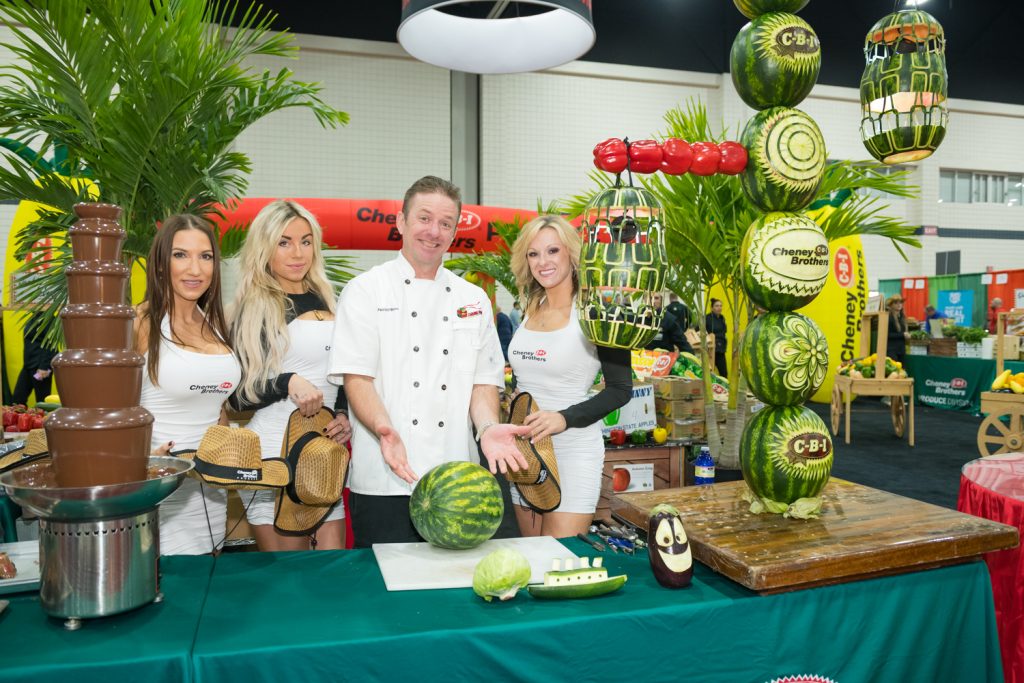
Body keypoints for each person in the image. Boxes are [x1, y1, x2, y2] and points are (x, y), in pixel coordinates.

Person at [328, 176, 530, 548]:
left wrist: (487, 427)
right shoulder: (365, 290)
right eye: (424, 218)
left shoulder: (473, 299)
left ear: (454, 232)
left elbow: (483, 381)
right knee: (384, 579)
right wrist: (384, 429)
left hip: (456, 476)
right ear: (401, 222)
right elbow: (357, 378)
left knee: (454, 580)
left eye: (445, 223)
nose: (433, 231)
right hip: (385, 477)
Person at [229, 200, 351, 551]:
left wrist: (343, 413)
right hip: (272, 456)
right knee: (288, 576)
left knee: (331, 570)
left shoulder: (329, 299)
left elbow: (343, 370)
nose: (298, 253)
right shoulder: (255, 306)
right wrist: (288, 382)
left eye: (306, 241)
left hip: (323, 456)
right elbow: (238, 396)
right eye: (284, 242)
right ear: (265, 248)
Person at [507, 215, 632, 538]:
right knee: (530, 559)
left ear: (571, 254)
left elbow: (620, 389)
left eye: (552, 251)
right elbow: (525, 378)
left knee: (557, 558)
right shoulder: (531, 307)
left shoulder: (599, 311)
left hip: (573, 450)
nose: (542, 262)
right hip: (526, 453)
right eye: (533, 254)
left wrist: (563, 418)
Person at [136, 214, 240, 555]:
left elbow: (217, 407)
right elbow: (110, 409)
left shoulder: (215, 325)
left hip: (210, 487)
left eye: (205, 256)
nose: (195, 269)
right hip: (156, 485)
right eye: (181, 255)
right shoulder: (140, 323)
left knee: (207, 574)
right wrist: (137, 460)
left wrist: (230, 449)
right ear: (160, 264)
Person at [11, 312, 57, 405]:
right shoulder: (33, 317)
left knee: (42, 401)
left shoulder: (48, 319)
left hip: (40, 367)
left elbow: (51, 345)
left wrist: (44, 367)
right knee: (18, 399)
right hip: (28, 366)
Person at [705, 298, 728, 377]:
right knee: (710, 373)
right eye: (717, 306)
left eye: (720, 306)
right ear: (712, 308)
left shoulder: (722, 318)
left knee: (724, 373)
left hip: (721, 350)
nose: (719, 308)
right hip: (710, 350)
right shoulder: (707, 318)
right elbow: (699, 330)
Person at [886, 295, 909, 363]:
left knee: (902, 368)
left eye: (900, 302)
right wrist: (903, 334)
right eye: (896, 303)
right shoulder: (889, 318)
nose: (899, 304)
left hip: (901, 350)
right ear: (891, 305)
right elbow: (887, 335)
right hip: (892, 350)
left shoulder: (902, 317)